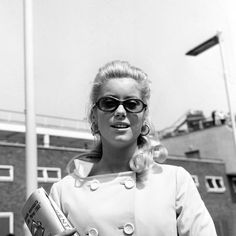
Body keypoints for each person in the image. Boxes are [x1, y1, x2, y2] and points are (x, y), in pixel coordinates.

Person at [50, 60, 217, 236]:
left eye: (132, 104)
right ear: (94, 115)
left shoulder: (175, 181)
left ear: (144, 116)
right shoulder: (63, 192)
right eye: (108, 103)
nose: (120, 111)